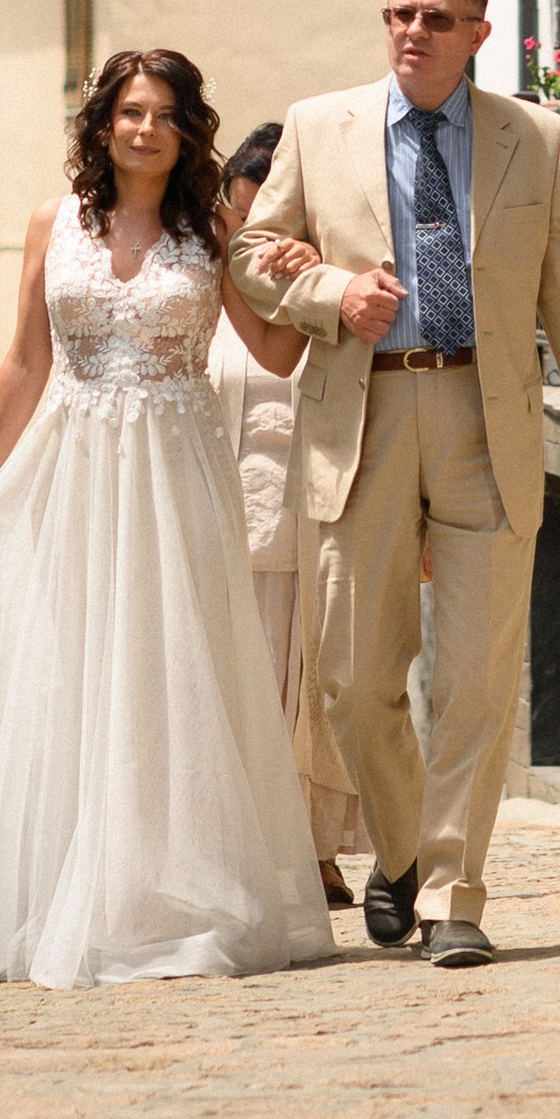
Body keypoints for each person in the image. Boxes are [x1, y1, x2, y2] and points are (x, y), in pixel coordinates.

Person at [0, 49, 333, 990]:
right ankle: (63, 885)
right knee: (71, 664)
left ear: (187, 131)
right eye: (131, 111)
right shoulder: (51, 223)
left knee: (169, 669)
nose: (146, 128)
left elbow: (271, 346)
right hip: (74, 460)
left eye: (165, 114)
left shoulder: (213, 229)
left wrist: (309, 278)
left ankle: (166, 889)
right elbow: (21, 363)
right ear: (103, 122)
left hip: (179, 469)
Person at [229, 0, 560, 971]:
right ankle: (403, 849)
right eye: (399, 13)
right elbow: (249, 254)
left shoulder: (534, 139)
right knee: (350, 681)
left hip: (483, 416)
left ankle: (456, 894)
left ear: (477, 34)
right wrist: (330, 297)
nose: (413, 30)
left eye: (436, 17)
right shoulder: (318, 128)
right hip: (360, 411)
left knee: (475, 677)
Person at [210, 122, 359, 906]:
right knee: (247, 687)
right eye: (238, 222)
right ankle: (241, 846)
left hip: (318, 515)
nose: (252, 245)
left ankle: (317, 848)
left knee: (316, 693)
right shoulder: (208, 282)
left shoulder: (329, 280)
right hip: (226, 521)